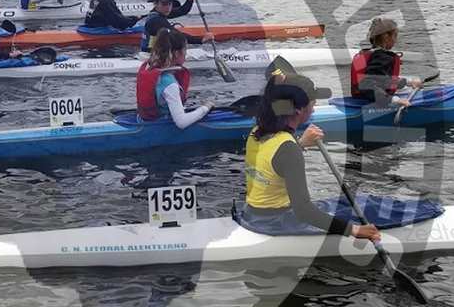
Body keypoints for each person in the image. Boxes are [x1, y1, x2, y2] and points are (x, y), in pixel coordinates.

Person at [236, 70, 385, 239]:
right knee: (371, 209)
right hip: (276, 221)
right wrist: (354, 230)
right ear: (299, 109)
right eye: (312, 102)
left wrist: (300, 144)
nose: (314, 106)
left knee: (354, 202)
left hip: (252, 213)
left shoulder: (257, 131)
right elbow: (303, 211)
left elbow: (272, 163)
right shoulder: (288, 148)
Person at [136, 27, 213, 128]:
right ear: (177, 53)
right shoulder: (169, 83)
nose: (186, 53)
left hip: (144, 119)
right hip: (160, 126)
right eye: (185, 49)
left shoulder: (148, 67)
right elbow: (181, 123)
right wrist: (205, 107)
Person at [350, 16, 423, 105]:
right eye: (395, 36)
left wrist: (408, 82)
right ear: (386, 37)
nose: (395, 40)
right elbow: (368, 84)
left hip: (363, 97)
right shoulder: (382, 57)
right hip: (371, 100)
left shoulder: (368, 54)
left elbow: (383, 80)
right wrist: (394, 100)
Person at [137, 0, 210, 52]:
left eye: (170, 3)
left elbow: (182, 11)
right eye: (164, 4)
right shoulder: (156, 21)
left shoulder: (161, 11)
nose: (168, 7)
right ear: (155, 4)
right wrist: (201, 39)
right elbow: (177, 36)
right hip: (150, 57)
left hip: (157, 53)